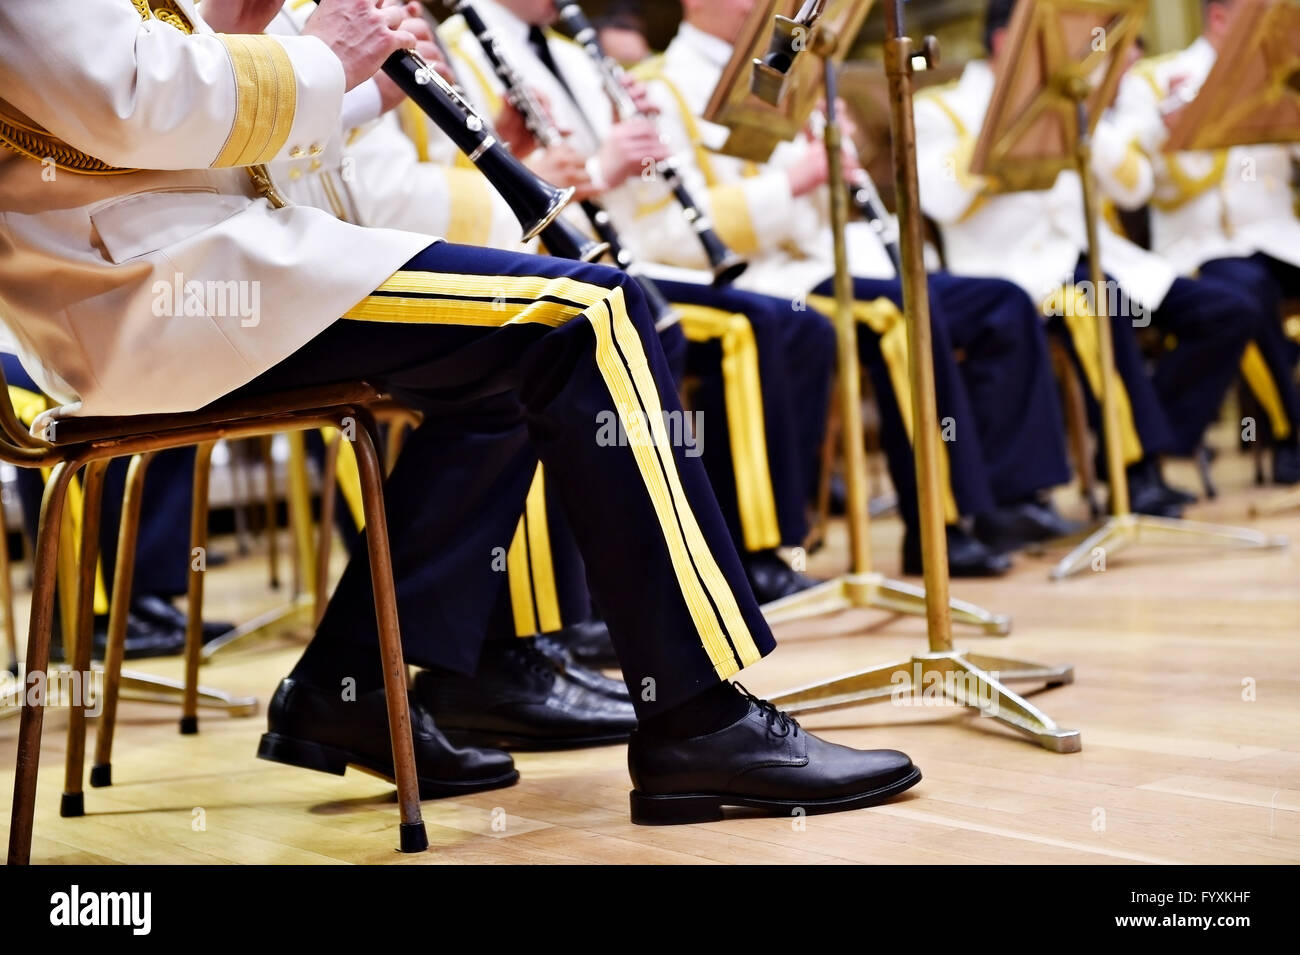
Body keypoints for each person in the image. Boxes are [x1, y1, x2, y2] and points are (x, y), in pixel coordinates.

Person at [0, 0, 920, 823]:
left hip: (203, 262)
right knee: (587, 315)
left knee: (508, 378)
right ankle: (698, 715)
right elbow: (119, 97)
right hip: (149, 290)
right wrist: (322, 56)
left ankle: (348, 685)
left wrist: (347, 82)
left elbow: (174, 122)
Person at [597, 0, 1078, 573]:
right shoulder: (660, 88)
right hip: (743, 276)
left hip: (817, 260)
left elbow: (817, 213)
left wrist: (829, 161)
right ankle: (938, 527)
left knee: (998, 301)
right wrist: (797, 180)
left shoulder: (782, 74)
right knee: (903, 314)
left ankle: (1008, 496)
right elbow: (666, 232)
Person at [915, 0, 1263, 511]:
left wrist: (1085, 122)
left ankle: (1150, 439)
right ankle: (1137, 472)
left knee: (1227, 311)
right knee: (1097, 306)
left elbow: (1135, 189)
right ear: (1002, 42)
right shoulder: (942, 108)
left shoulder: (1072, 100)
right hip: (1018, 276)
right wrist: (1013, 118)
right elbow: (941, 200)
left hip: (1104, 261)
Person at [1111, 0, 1300, 484]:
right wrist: (1172, 129)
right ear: (1221, 18)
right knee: (1246, 292)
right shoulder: (1157, 81)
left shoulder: (1281, 68)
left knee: (1259, 280)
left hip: (1279, 236)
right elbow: (1147, 186)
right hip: (1202, 246)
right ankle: (1287, 434)